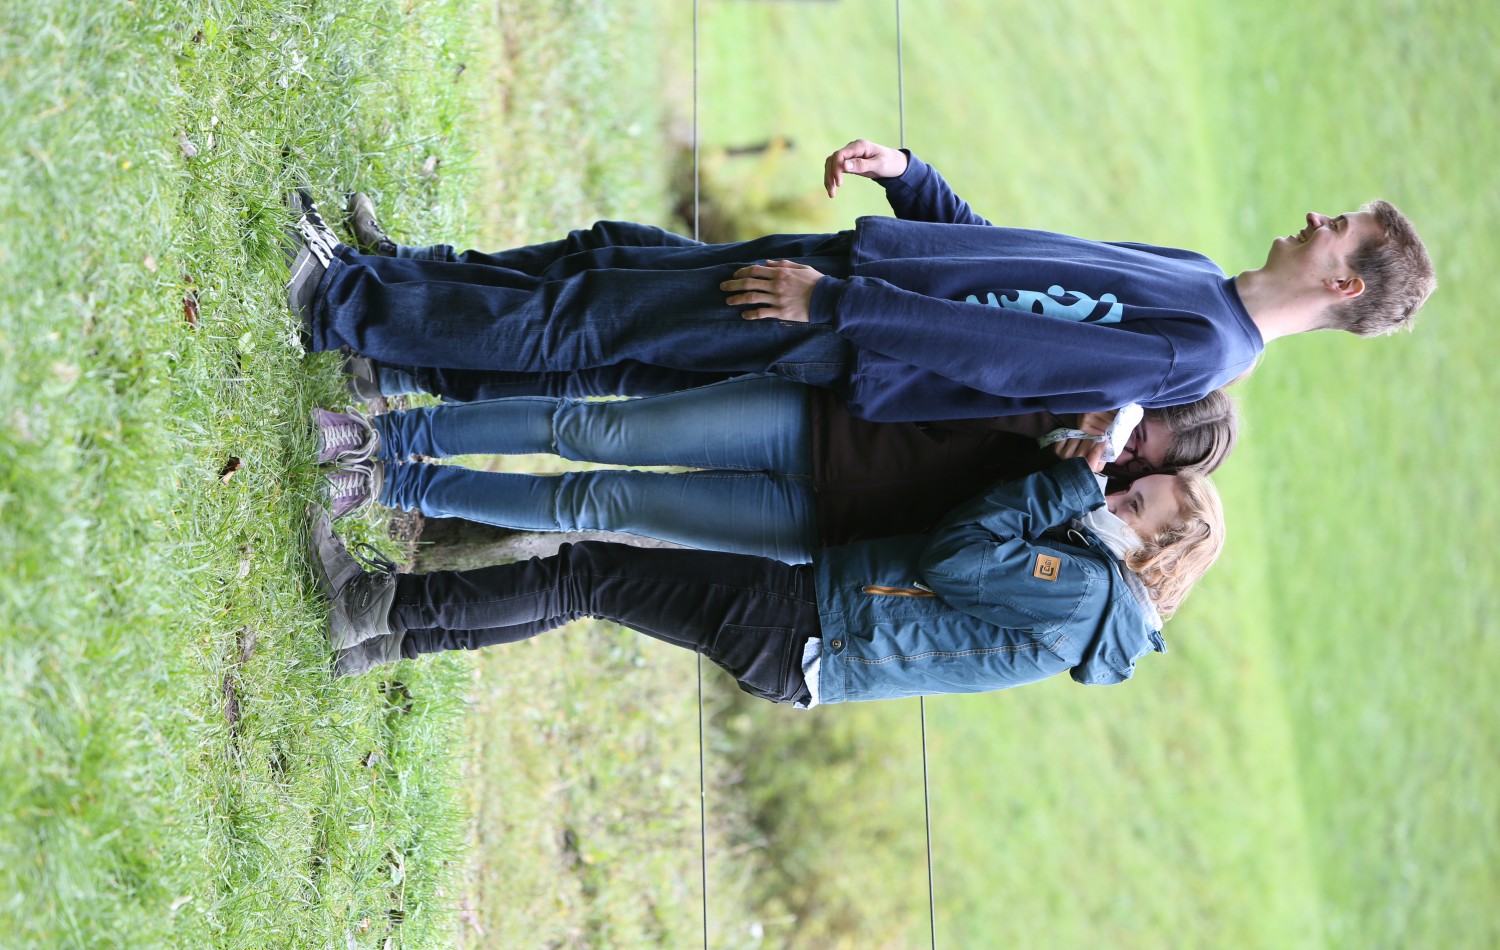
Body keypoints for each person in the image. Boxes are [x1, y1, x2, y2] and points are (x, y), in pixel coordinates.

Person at [287, 139, 1435, 422]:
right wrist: (914, 181)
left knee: (597, 319)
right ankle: (399, 311)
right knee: (612, 263)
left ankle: (338, 305)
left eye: (1338, 230)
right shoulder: (1200, 282)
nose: (1316, 218)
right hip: (851, 281)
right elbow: (1001, 266)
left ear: (1345, 288)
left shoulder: (1200, 348)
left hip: (838, 321)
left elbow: (1009, 356)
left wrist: (832, 305)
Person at [307, 458, 1226, 693]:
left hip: (809, 622)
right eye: (1129, 485)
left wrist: (1061, 484)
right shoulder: (1093, 607)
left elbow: (955, 558)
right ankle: (384, 639)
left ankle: (370, 607)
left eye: (1136, 503)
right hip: (809, 643)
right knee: (591, 586)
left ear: (1157, 551)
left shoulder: (1083, 592)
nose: (1117, 494)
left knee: (585, 575)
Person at [310, 377, 1237, 562]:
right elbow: (962, 379)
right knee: (597, 428)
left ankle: (396, 485)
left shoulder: (1082, 533)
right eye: (1138, 438)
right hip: (816, 425)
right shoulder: (1075, 393)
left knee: (596, 501)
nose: (1123, 457)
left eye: (1139, 473)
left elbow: (968, 555)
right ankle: (384, 434)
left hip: (820, 529)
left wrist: (1068, 487)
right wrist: (1057, 426)